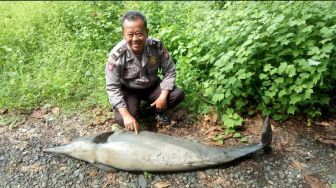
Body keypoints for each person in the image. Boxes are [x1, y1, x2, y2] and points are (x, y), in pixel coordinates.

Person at [105, 11, 184, 134]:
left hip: (151, 86)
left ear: (147, 32)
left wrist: (163, 97)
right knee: (122, 118)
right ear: (123, 35)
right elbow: (112, 87)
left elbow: (169, 71)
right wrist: (126, 115)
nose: (135, 39)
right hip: (129, 89)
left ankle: (154, 111)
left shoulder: (156, 47)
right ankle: (135, 112)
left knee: (176, 95)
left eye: (139, 34)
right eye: (130, 34)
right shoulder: (117, 56)